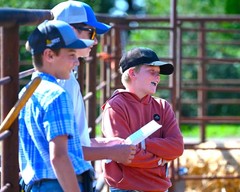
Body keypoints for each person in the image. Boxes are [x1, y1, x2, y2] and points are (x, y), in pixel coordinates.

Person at [51, 0, 136, 164]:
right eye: (91, 32)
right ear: (70, 31)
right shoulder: (62, 81)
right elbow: (64, 151)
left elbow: (69, 143)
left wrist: (105, 144)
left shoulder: (65, 76)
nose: (95, 41)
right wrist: (111, 152)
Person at [19, 20, 95, 192]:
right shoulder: (57, 95)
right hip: (59, 185)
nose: (77, 62)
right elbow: (59, 156)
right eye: (71, 55)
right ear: (49, 55)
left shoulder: (26, 92)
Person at [101, 47, 184, 192]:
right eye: (152, 72)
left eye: (158, 74)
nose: (157, 78)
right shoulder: (115, 106)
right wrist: (159, 160)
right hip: (127, 188)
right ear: (132, 73)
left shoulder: (162, 106)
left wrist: (142, 145)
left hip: (159, 187)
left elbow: (177, 146)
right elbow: (123, 153)